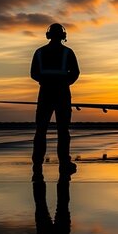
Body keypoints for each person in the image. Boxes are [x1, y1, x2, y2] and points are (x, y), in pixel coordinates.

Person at [31, 23, 80, 181]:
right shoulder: (68, 52)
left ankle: (37, 163)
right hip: (62, 93)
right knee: (63, 131)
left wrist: (45, 81)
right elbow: (75, 73)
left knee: (41, 130)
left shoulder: (39, 52)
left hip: (45, 92)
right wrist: (64, 82)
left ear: (49, 35)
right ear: (63, 36)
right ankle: (64, 163)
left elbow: (33, 73)